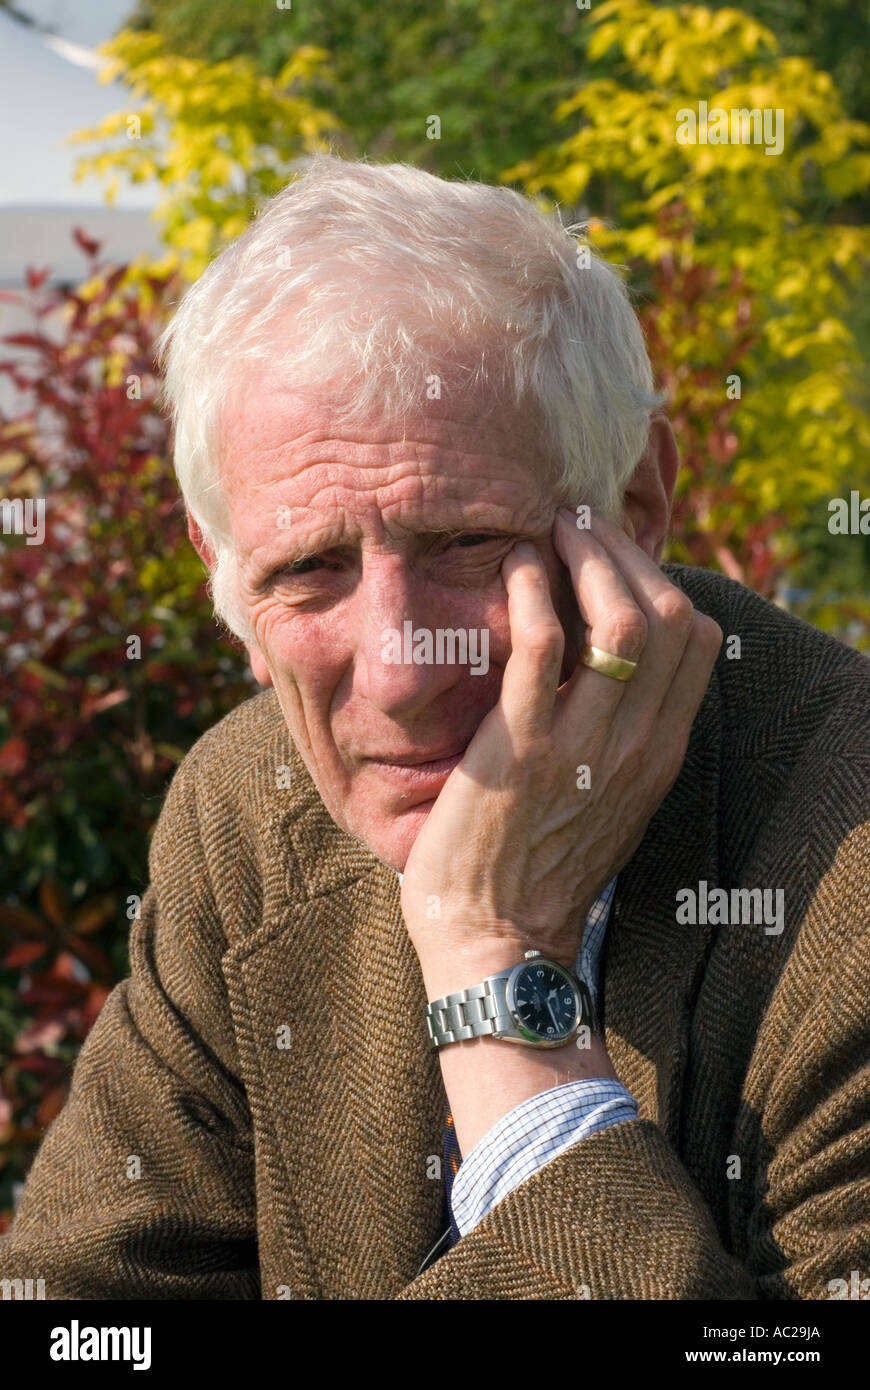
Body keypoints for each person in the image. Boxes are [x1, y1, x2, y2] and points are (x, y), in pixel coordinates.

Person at [2, 154, 867, 1300]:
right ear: (226, 584)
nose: (404, 671)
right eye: (309, 568)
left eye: (466, 541)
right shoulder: (246, 805)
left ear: (641, 508)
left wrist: (494, 962)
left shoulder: (845, 845)